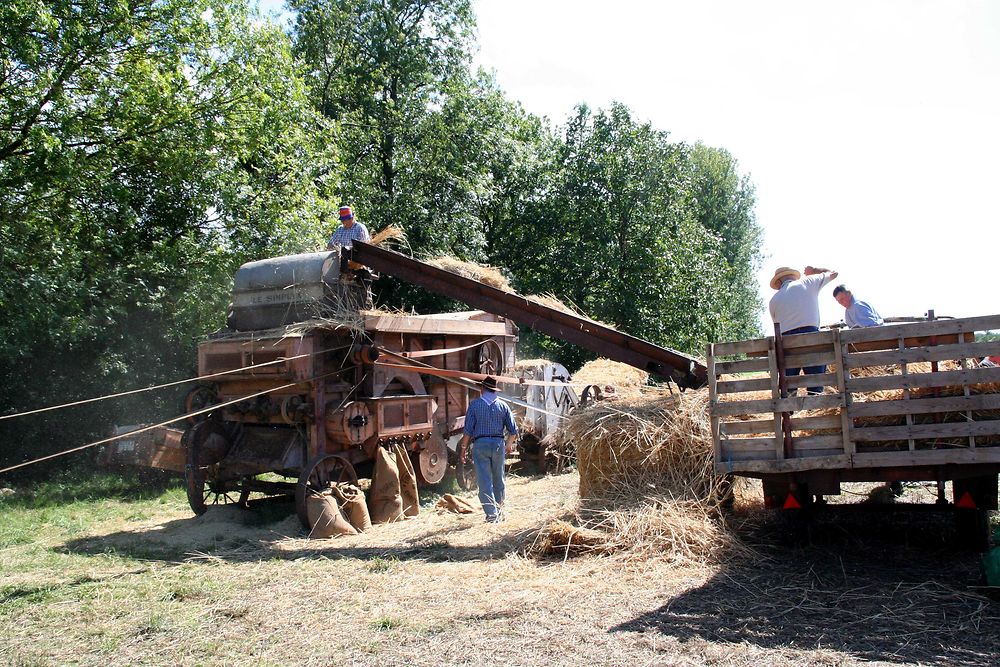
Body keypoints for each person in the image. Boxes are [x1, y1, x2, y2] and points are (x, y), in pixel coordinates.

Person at [768, 265, 838, 395]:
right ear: (794, 276)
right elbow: (834, 273)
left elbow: (776, 325)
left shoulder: (774, 300)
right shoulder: (809, 281)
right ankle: (815, 402)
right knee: (816, 384)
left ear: (778, 282)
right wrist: (815, 271)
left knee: (789, 385)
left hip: (787, 344)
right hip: (811, 338)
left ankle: (789, 405)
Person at [459, 376, 518, 523]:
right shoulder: (503, 406)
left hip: (481, 445)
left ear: (482, 389)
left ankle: (491, 514)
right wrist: (508, 445)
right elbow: (513, 431)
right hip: (498, 444)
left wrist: (463, 449)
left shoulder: (475, 405)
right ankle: (500, 510)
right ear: (494, 389)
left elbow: (468, 431)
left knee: (484, 480)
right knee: (499, 478)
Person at [326, 205, 373, 307]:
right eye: (342, 220)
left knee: (363, 281)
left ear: (352, 218)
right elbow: (330, 245)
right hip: (343, 264)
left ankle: (364, 307)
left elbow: (364, 249)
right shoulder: (340, 230)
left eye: (345, 220)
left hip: (358, 264)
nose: (343, 223)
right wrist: (334, 248)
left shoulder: (360, 228)